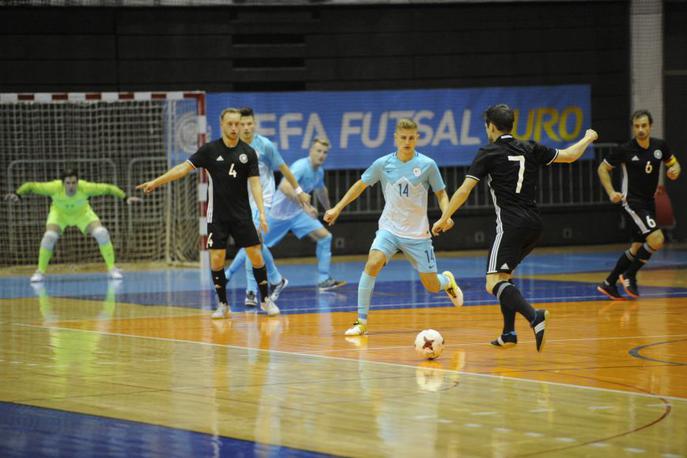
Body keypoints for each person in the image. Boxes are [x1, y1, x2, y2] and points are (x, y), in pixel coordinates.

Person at [433, 104, 598, 352]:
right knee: (504, 277)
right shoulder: (530, 147)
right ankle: (508, 333)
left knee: (492, 283)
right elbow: (570, 155)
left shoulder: (488, 152)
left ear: (490, 126)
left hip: (510, 225)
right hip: (534, 224)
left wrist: (444, 217)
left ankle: (534, 316)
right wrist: (588, 137)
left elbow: (465, 190)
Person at [324, 118, 463, 336]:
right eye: (403, 138)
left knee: (432, 285)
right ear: (395, 138)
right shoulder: (382, 164)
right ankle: (361, 322)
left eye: (411, 137)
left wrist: (446, 216)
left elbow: (441, 193)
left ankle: (447, 282)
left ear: (417, 137)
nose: (407, 142)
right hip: (389, 229)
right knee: (373, 263)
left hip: (418, 234)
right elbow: (360, 186)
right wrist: (338, 208)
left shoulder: (427, 165)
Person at [137, 107, 279, 318]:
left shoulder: (248, 153)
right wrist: (157, 182)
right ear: (222, 125)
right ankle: (223, 305)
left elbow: (256, 185)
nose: (234, 128)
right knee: (216, 259)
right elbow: (183, 168)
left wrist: (263, 213)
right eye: (230, 124)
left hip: (242, 215)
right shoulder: (210, 151)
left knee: (256, 256)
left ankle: (266, 300)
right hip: (217, 216)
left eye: (237, 124)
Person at [224, 107, 310, 307]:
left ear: (254, 124)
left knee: (250, 243)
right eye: (242, 124)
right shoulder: (232, 147)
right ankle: (277, 280)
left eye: (249, 124)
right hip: (244, 201)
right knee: (257, 245)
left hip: (264, 199)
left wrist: (298, 192)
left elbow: (284, 168)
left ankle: (251, 292)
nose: (245, 128)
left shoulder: (265, 145)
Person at [596, 109, 681, 300]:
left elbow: (674, 164)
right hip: (632, 203)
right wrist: (611, 192)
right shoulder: (625, 149)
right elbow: (602, 168)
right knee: (657, 239)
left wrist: (675, 170)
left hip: (649, 203)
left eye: (644, 125)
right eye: (636, 126)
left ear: (650, 126)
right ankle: (629, 275)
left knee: (636, 247)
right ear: (633, 128)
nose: (640, 129)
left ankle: (608, 284)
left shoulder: (660, 146)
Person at [4, 169, 141, 282]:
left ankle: (112, 269)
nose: (71, 186)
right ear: (62, 183)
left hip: (83, 214)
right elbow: (31, 186)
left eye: (74, 182)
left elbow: (109, 188)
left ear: (77, 182)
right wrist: (18, 194)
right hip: (59, 215)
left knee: (101, 233)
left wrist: (125, 198)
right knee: (49, 236)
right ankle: (40, 272)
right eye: (68, 183)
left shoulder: (85, 187)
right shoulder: (54, 187)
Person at [261, 138, 346, 291]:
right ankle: (231, 275)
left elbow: (321, 190)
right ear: (310, 151)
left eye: (325, 152)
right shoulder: (301, 166)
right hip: (278, 215)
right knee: (256, 245)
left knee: (325, 237)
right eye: (318, 151)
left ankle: (323, 279)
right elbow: (284, 187)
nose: (321, 155)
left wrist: (330, 210)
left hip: (297, 214)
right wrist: (306, 205)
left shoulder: (319, 171)